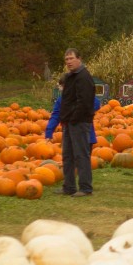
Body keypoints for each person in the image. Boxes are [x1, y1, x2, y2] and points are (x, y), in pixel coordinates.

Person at [57, 48, 95, 197]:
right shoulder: (70, 77)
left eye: (71, 58)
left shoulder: (83, 77)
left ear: (79, 58)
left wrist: (73, 118)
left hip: (79, 122)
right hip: (69, 122)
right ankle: (69, 186)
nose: (69, 62)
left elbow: (84, 102)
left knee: (81, 155)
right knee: (67, 155)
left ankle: (85, 188)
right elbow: (68, 100)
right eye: (66, 59)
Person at [46, 79, 101, 146]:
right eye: (60, 87)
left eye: (63, 87)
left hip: (85, 135)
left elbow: (96, 103)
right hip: (69, 136)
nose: (61, 89)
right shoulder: (61, 100)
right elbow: (56, 116)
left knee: (81, 155)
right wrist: (49, 131)